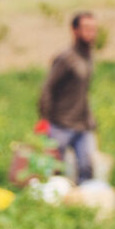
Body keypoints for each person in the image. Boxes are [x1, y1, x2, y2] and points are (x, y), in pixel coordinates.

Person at [38, 12, 99, 182]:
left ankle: (82, 205)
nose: (91, 33)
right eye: (86, 29)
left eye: (94, 29)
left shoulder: (87, 57)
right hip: (61, 124)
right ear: (74, 30)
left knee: (87, 167)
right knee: (54, 170)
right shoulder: (66, 58)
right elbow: (47, 89)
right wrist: (44, 120)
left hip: (82, 124)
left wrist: (90, 120)